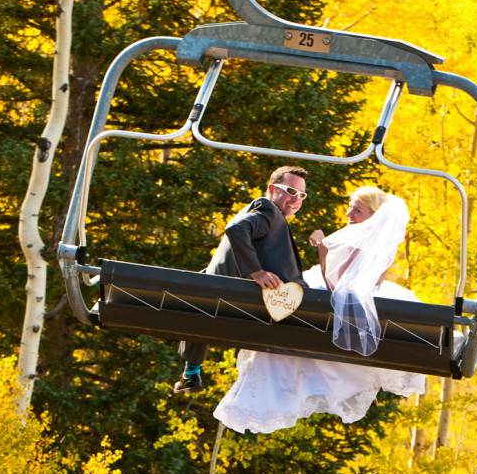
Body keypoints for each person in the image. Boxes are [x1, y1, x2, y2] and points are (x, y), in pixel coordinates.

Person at [213, 186, 426, 433]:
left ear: (374, 216)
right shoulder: (371, 242)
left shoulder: (364, 245)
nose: (348, 214)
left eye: (357, 210)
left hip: (328, 307)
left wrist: (323, 250)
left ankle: (259, 401)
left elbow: (337, 287)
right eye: (349, 207)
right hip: (330, 307)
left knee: (281, 329)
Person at [173, 166, 309, 395]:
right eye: (290, 191)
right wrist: (257, 272)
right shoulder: (267, 210)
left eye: (301, 195)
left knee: (203, 287)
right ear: (271, 188)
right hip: (257, 307)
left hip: (218, 300)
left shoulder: (267, 218)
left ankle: (191, 371)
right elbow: (236, 229)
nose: (296, 199)